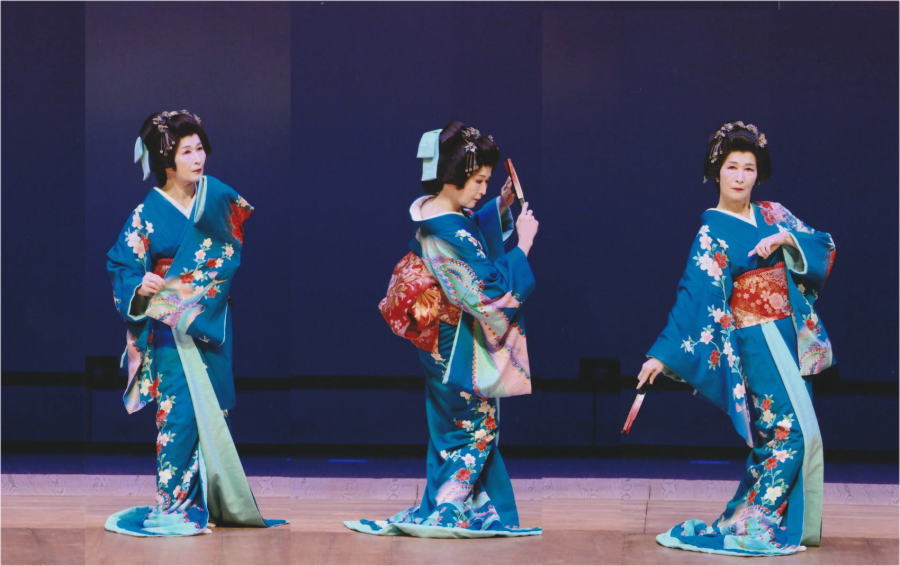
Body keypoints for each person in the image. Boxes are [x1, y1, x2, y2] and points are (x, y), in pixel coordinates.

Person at [636, 121, 836, 556]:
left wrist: (786, 239)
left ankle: (753, 517)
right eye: (732, 167)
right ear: (716, 172)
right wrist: (662, 354)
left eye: (749, 168)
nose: (741, 177)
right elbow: (695, 297)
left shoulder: (773, 214)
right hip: (755, 340)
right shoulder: (711, 233)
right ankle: (756, 521)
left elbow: (823, 245)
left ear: (758, 174)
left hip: (788, 334)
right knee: (787, 431)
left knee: (792, 431)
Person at [344, 122, 542, 538]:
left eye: (487, 181)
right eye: (478, 181)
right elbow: (491, 292)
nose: (483, 189)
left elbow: (470, 230)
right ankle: (453, 508)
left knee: (451, 425)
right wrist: (523, 245)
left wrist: (500, 207)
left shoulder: (434, 213)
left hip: (441, 338)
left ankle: (463, 505)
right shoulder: (448, 230)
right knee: (475, 426)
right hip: (459, 344)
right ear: (453, 175)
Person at [105, 110, 286, 536]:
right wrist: (143, 285)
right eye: (186, 151)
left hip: (210, 318)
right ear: (166, 160)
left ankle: (207, 501)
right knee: (178, 415)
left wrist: (190, 289)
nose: (197, 158)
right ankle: (174, 504)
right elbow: (121, 265)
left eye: (200, 148)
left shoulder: (217, 198)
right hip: (169, 328)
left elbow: (228, 254)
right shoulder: (146, 213)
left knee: (213, 409)